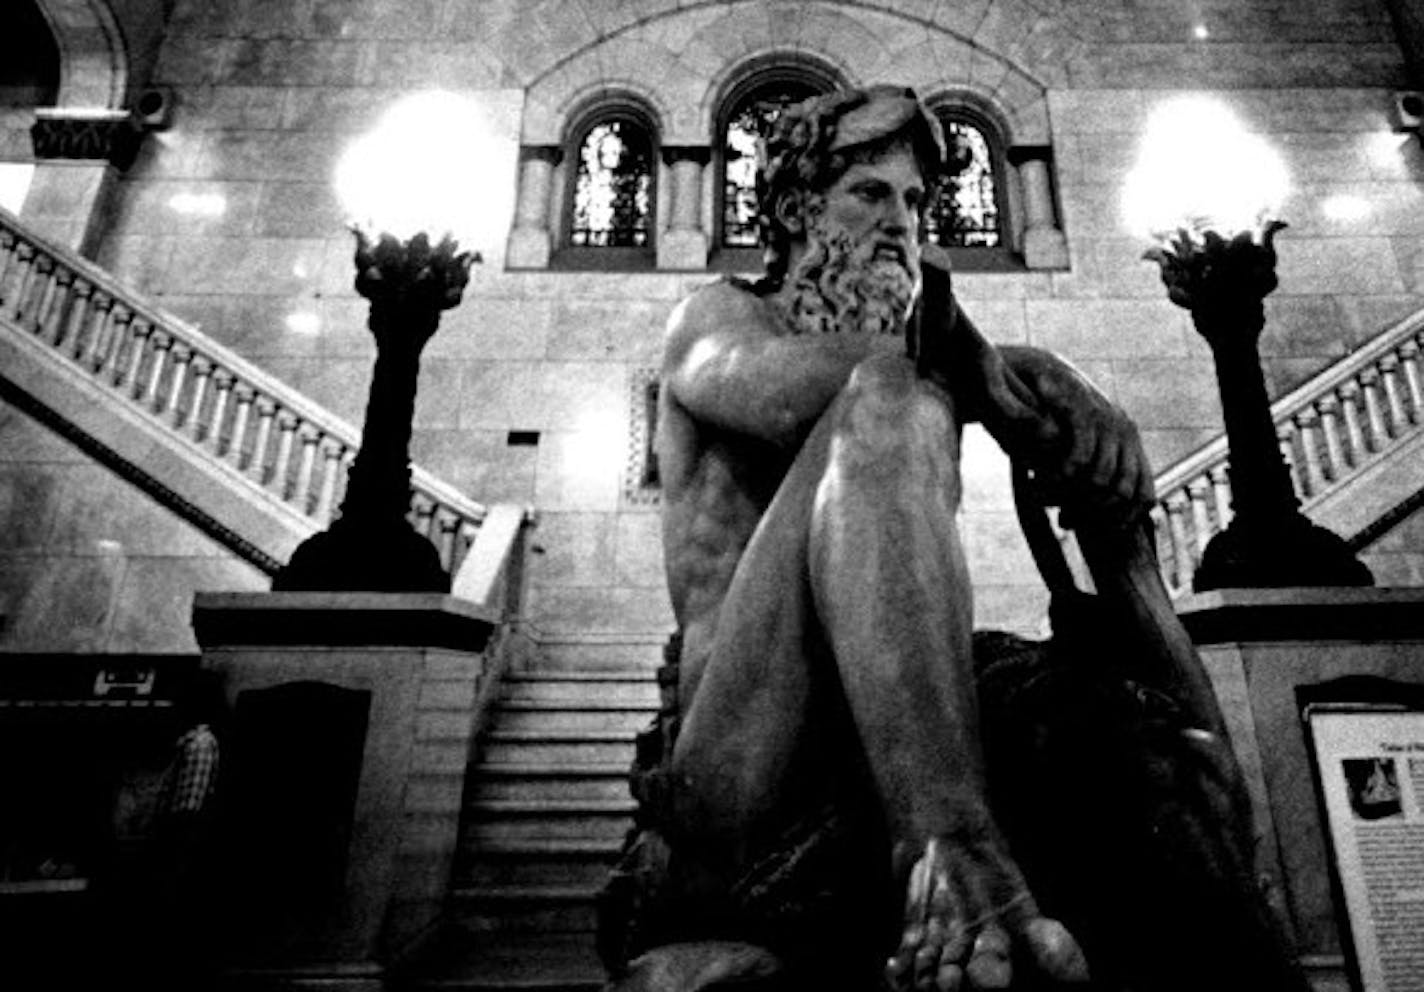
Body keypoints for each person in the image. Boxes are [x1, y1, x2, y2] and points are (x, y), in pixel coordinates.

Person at [598, 85, 1307, 992]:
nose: (903, 224)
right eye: (869, 193)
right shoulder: (720, 317)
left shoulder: (921, 371)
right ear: (792, 209)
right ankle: (945, 847)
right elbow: (776, 392)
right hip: (740, 765)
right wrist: (1015, 377)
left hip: (889, 726)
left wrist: (1104, 512)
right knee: (888, 397)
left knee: (1127, 737)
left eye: (918, 202)